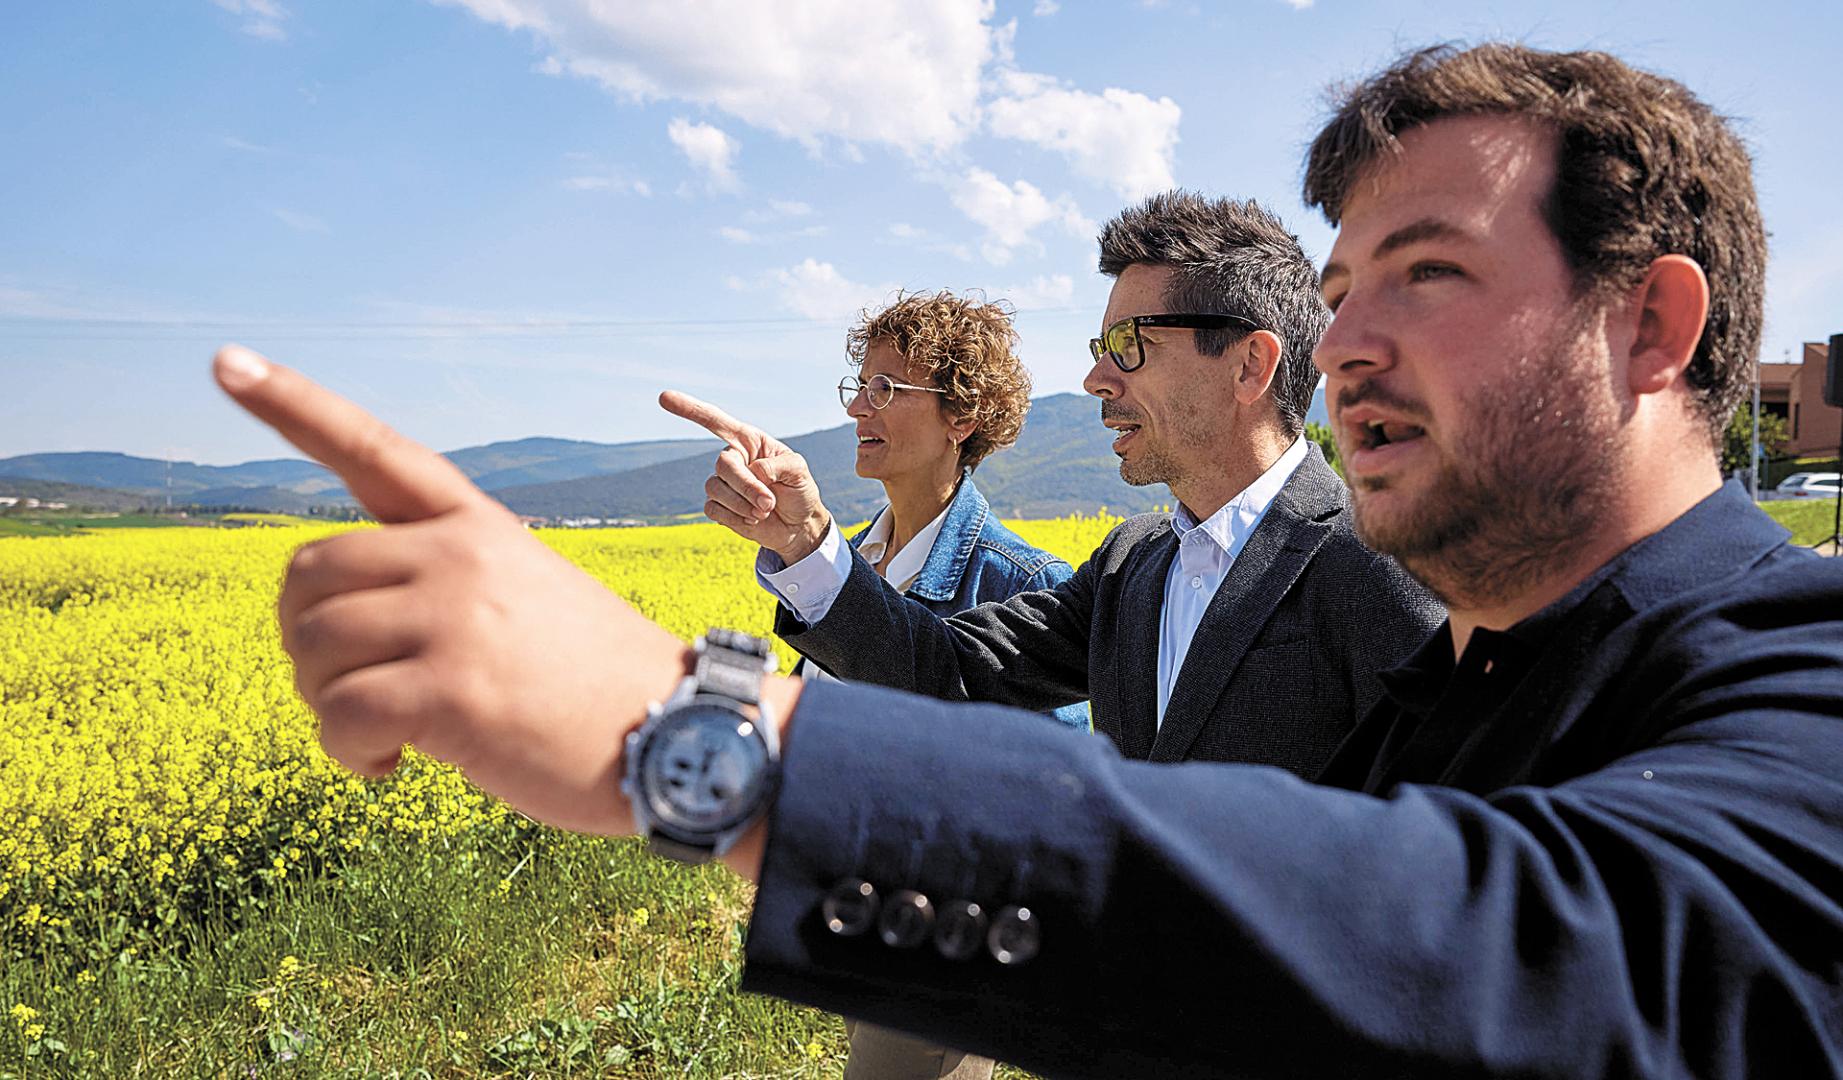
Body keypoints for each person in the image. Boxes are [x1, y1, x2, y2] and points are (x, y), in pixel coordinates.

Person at [211, 41, 1843, 1079]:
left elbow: (1559, 957)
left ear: (1647, 321)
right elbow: (955, 673)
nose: (1345, 338)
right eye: (1338, 287)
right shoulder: (1403, 643)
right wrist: (796, 555)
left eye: (1421, 273)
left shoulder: (1801, 667)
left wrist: (692, 738)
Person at [676, 192, 1441, 774]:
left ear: (1250, 364)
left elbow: (1445, 856)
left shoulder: (1374, 565)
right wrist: (807, 545)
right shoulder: (1129, 565)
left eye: (1127, 345)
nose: (1094, 377)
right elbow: (944, 670)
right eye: (1098, 345)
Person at [671, 288, 1084, 1080]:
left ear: (961, 418)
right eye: (858, 385)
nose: (859, 406)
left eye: (887, 388)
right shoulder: (849, 561)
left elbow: (1048, 799)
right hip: (856, 918)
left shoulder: (1024, 581)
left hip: (941, 946)